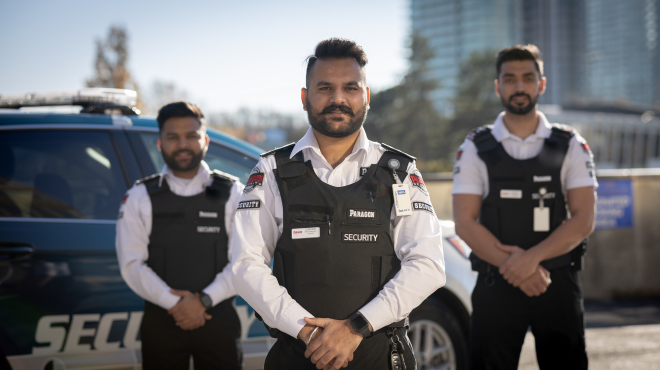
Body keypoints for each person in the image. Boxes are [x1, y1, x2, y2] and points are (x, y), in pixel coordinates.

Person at [231, 38, 446, 370]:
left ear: (366, 97)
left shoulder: (399, 173)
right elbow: (245, 265)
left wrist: (354, 328)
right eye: (324, 88)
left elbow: (428, 264)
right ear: (305, 98)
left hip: (381, 358)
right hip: (298, 357)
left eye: (350, 88)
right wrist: (309, 333)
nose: (338, 99)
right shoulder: (271, 171)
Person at [452, 45, 597, 370]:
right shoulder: (475, 147)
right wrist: (514, 267)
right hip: (495, 285)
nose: (519, 87)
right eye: (510, 79)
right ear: (498, 86)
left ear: (541, 84)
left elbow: (584, 218)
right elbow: (464, 221)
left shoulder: (570, 144)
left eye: (528, 78)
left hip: (557, 283)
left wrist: (529, 261)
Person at [116, 102, 243, 370]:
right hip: (161, 324)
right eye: (173, 137)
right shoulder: (139, 196)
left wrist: (203, 302)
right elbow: (132, 265)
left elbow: (244, 262)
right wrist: (176, 304)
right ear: (160, 144)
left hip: (218, 321)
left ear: (205, 140)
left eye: (191, 136)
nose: (182, 144)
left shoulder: (233, 192)